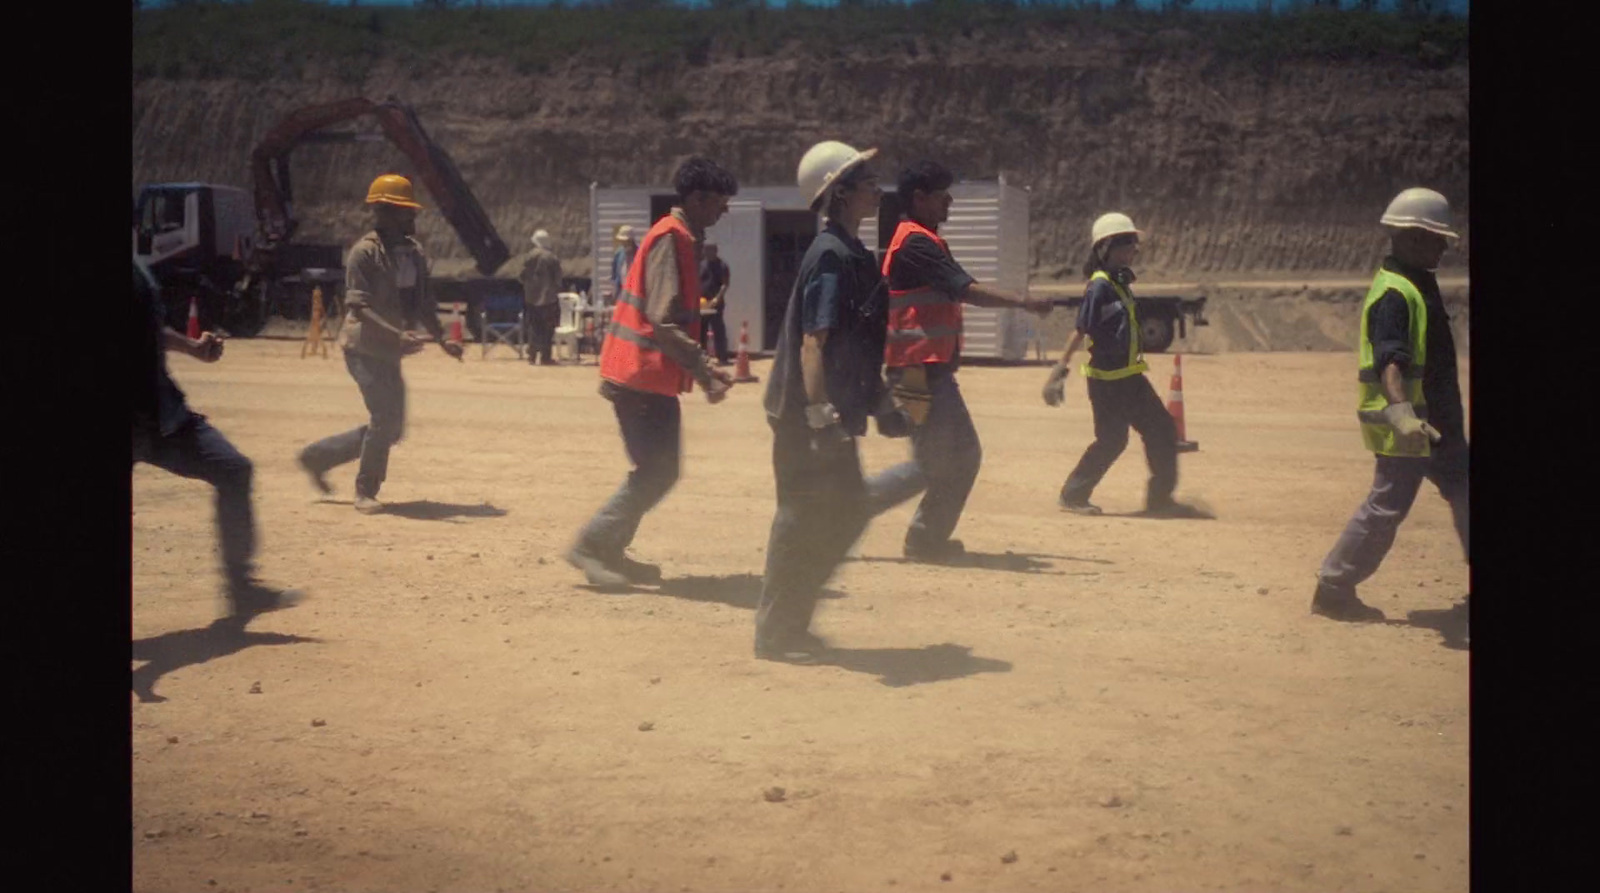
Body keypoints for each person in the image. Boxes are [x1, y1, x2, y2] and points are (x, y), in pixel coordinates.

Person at [755, 140, 919, 663]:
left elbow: (857, 346)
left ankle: (788, 624)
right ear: (841, 192)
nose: (878, 187)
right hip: (808, 415)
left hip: (832, 414)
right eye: (867, 179)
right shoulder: (830, 255)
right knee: (799, 516)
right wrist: (822, 419)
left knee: (844, 512)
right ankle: (776, 632)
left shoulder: (854, 256)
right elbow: (814, 342)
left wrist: (881, 404)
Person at [566, 158, 739, 587]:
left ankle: (608, 549)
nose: (724, 211)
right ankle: (592, 545)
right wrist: (703, 368)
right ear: (697, 199)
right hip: (638, 376)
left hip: (645, 376)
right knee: (657, 470)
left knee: (658, 469)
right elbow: (663, 320)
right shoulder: (673, 239)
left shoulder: (680, 238)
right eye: (719, 202)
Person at [881, 160, 1055, 563]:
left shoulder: (921, 240)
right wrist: (1023, 302)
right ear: (919, 199)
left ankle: (919, 535)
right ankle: (865, 513)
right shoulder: (916, 243)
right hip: (919, 371)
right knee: (945, 458)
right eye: (942, 194)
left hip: (921, 369)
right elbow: (966, 291)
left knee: (938, 458)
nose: (950, 201)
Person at [1311, 188, 1468, 627]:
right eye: (1437, 238)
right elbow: (1390, 360)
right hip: (1410, 425)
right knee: (1386, 507)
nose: (1443, 246)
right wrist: (1403, 415)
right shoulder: (1396, 293)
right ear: (1412, 236)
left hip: (1438, 423)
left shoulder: (1417, 280)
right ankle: (1333, 589)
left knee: (1467, 492)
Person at [133, 258, 299, 623]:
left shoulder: (137, 269)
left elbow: (149, 329)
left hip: (163, 416)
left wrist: (192, 347)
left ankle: (242, 590)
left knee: (234, 470)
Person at [297, 174, 465, 514]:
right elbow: (358, 307)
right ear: (385, 212)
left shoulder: (414, 254)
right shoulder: (364, 253)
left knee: (392, 428)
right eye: (406, 212)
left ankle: (319, 456)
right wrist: (396, 333)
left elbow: (421, 304)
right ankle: (366, 490)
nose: (413, 219)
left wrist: (444, 338)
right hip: (363, 349)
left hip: (389, 349)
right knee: (383, 418)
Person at [1043, 213, 1207, 518]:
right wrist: (1059, 371)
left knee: (1161, 429)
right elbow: (1081, 329)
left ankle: (1160, 500)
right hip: (1107, 381)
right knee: (1113, 439)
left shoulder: (1119, 283)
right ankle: (1073, 495)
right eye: (1127, 243)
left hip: (1129, 376)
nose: (1134, 250)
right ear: (1106, 248)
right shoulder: (1100, 286)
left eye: (1134, 244)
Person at [520, 229, 564, 366]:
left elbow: (521, 276)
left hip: (531, 297)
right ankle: (546, 357)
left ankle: (532, 356)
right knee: (548, 328)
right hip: (548, 298)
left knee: (533, 326)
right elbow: (558, 279)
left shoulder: (529, 256)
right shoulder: (551, 257)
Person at [697, 241, 731, 365]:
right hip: (702, 303)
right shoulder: (701, 265)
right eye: (705, 250)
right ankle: (702, 356)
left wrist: (717, 298)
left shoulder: (722, 265)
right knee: (701, 329)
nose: (707, 252)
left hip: (716, 302)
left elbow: (725, 284)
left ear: (715, 251)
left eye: (710, 250)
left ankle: (722, 357)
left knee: (718, 329)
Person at [609, 224, 638, 309]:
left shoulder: (640, 254)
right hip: (621, 293)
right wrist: (614, 294)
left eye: (626, 241)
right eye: (622, 241)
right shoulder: (619, 254)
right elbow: (614, 276)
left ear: (632, 240)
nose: (624, 243)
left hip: (635, 294)